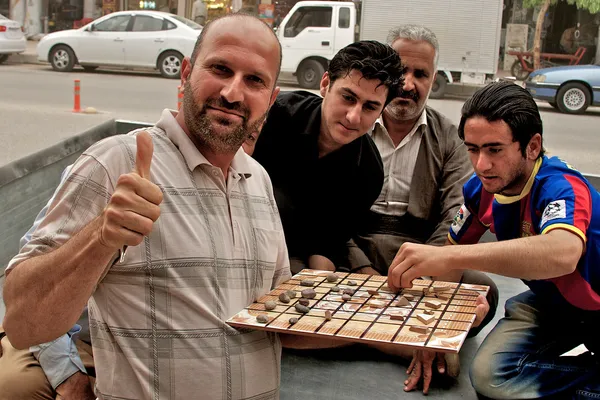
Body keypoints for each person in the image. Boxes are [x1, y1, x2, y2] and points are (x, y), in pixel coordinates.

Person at [3, 14, 291, 400]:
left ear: (271, 98)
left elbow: (281, 318)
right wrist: (102, 236)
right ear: (186, 73)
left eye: (254, 80)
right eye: (220, 69)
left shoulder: (258, 179)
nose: (233, 93)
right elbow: (23, 324)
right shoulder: (115, 162)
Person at [388, 81, 600, 399]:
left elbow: (563, 252)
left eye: (494, 150)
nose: (481, 165)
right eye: (472, 149)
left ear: (531, 146)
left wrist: (450, 257)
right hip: (552, 303)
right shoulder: (480, 190)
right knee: (490, 379)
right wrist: (435, 331)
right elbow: (452, 257)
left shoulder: (560, 186)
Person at [342, 25, 497, 394]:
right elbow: (329, 211)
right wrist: (360, 265)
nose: (408, 84)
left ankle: (357, 330)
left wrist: (426, 274)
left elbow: (456, 216)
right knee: (305, 268)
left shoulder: (449, 136)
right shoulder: (355, 122)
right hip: (351, 253)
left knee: (484, 291)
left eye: (421, 74)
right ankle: (414, 340)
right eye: (401, 72)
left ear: (433, 78)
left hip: (419, 257)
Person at [252, 40, 403, 274]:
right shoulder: (275, 117)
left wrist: (317, 286)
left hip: (297, 255)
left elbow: (328, 244)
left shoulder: (369, 172)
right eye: (348, 98)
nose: (354, 117)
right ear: (325, 84)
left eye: (370, 107)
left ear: (381, 112)